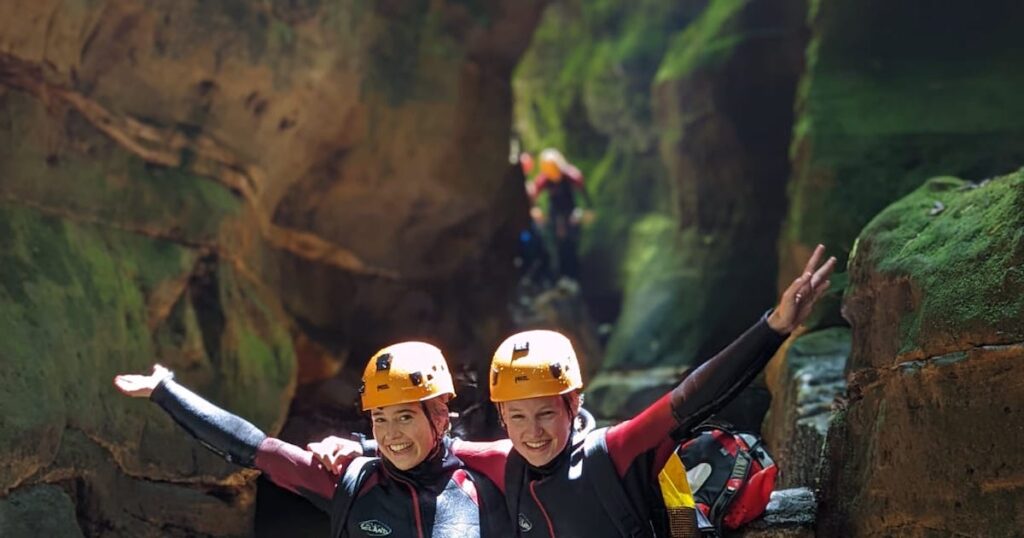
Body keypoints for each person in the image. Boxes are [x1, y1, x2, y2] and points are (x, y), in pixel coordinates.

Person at [311, 245, 836, 537]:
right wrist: (355, 447)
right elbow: (418, 448)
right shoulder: (500, 461)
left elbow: (690, 398)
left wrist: (774, 327)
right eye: (516, 417)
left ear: (574, 404)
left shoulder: (613, 453)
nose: (531, 432)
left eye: (545, 414)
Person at [114, 341, 512, 537]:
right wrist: (164, 391)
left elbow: (562, 449)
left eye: (405, 416)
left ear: (440, 415)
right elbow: (253, 448)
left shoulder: (486, 478)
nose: (391, 434)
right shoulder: (354, 482)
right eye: (380, 418)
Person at [529, 148, 591, 279]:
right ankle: (560, 276)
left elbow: (585, 196)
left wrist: (587, 210)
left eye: (552, 168)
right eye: (547, 169)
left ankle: (575, 275)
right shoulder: (544, 179)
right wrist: (536, 210)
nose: (551, 172)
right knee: (557, 245)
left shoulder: (571, 175)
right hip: (555, 215)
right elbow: (533, 195)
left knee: (571, 243)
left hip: (571, 213)